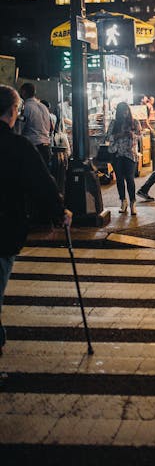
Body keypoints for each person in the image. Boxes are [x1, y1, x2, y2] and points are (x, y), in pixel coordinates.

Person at [0, 85, 70, 356]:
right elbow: (41, 182)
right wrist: (59, 211)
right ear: (13, 112)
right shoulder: (17, 145)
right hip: (4, 229)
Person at [106, 102, 142, 215]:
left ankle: (133, 203)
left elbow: (140, 135)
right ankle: (123, 201)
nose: (124, 113)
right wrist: (118, 135)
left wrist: (133, 135)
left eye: (126, 110)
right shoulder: (114, 123)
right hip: (116, 154)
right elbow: (107, 137)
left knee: (130, 179)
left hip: (130, 154)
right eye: (122, 111)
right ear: (119, 112)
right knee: (120, 179)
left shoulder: (134, 122)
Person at [18, 82, 52, 168]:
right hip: (46, 146)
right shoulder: (44, 107)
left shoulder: (26, 107)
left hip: (33, 147)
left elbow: (20, 128)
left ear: (24, 92)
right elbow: (51, 127)